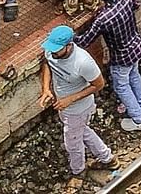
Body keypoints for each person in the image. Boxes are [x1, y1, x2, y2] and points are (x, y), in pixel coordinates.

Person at [38, 25, 116, 192]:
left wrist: (70, 99)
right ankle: (107, 158)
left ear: (68, 46)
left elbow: (99, 84)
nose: (53, 53)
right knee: (82, 132)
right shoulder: (51, 51)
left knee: (72, 143)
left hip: (78, 109)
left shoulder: (83, 62)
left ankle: (78, 172)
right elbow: (47, 65)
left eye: (57, 50)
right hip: (63, 106)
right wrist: (46, 89)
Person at [75, 0, 141, 132]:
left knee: (122, 86)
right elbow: (136, 4)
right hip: (136, 48)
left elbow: (84, 41)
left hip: (121, 57)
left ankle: (139, 119)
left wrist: (71, 35)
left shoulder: (102, 19)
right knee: (134, 77)